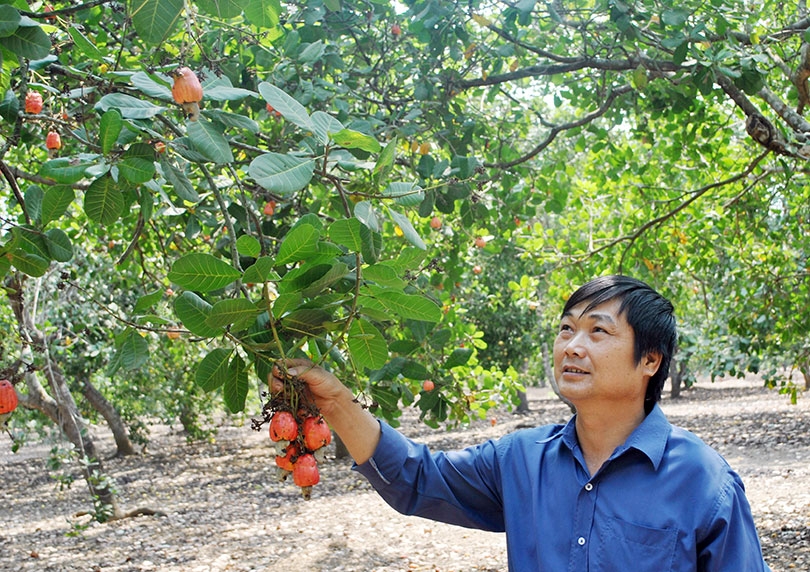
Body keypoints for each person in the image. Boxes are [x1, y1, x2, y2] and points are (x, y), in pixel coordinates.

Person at [270, 275, 771, 571]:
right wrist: (335, 405)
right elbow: (417, 477)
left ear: (651, 361)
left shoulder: (704, 483)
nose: (573, 345)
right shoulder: (522, 460)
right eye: (567, 329)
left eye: (599, 332)